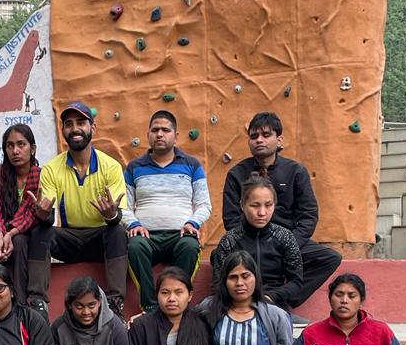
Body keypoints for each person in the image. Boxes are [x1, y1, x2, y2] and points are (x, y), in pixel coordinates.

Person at [222, 112, 341, 306]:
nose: (259, 140)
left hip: (289, 239)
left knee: (329, 258)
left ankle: (278, 300)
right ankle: (238, 304)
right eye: (254, 136)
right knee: (222, 255)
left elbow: (309, 215)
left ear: (279, 140)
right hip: (248, 238)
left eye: (266, 135)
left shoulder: (295, 171)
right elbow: (231, 218)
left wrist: (289, 244)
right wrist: (250, 239)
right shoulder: (237, 174)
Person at [26, 102, 129, 318]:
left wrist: (111, 215)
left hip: (100, 239)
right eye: (69, 124)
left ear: (93, 128)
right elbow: (48, 211)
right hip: (69, 240)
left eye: (81, 122)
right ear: (63, 130)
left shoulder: (111, 167)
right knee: (40, 232)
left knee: (118, 232)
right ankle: (37, 304)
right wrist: (44, 216)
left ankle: (115, 304)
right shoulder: (52, 168)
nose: (75, 129)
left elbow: (117, 216)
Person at [123, 110, 212, 312]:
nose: (160, 134)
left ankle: (179, 303)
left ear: (176, 135)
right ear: (148, 135)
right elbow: (124, 207)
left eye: (165, 130)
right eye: (155, 130)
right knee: (134, 246)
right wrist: (134, 224)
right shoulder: (134, 167)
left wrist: (193, 223)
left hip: (179, 235)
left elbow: (204, 205)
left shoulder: (192, 165)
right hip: (147, 237)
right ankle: (150, 307)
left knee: (190, 246)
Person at [0, 123, 47, 312]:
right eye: (10, 145)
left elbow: (31, 214)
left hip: (25, 233)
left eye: (21, 144)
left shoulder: (42, 176)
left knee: (20, 242)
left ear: (32, 149)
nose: (15, 151)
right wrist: (0, 236)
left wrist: (10, 234)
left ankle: (21, 305)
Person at [211, 174, 305, 312]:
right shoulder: (230, 240)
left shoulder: (284, 237)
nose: (262, 212)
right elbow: (218, 283)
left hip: (274, 306)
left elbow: (296, 282)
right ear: (242, 205)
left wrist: (271, 297)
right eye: (255, 205)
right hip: (237, 307)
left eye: (268, 205)